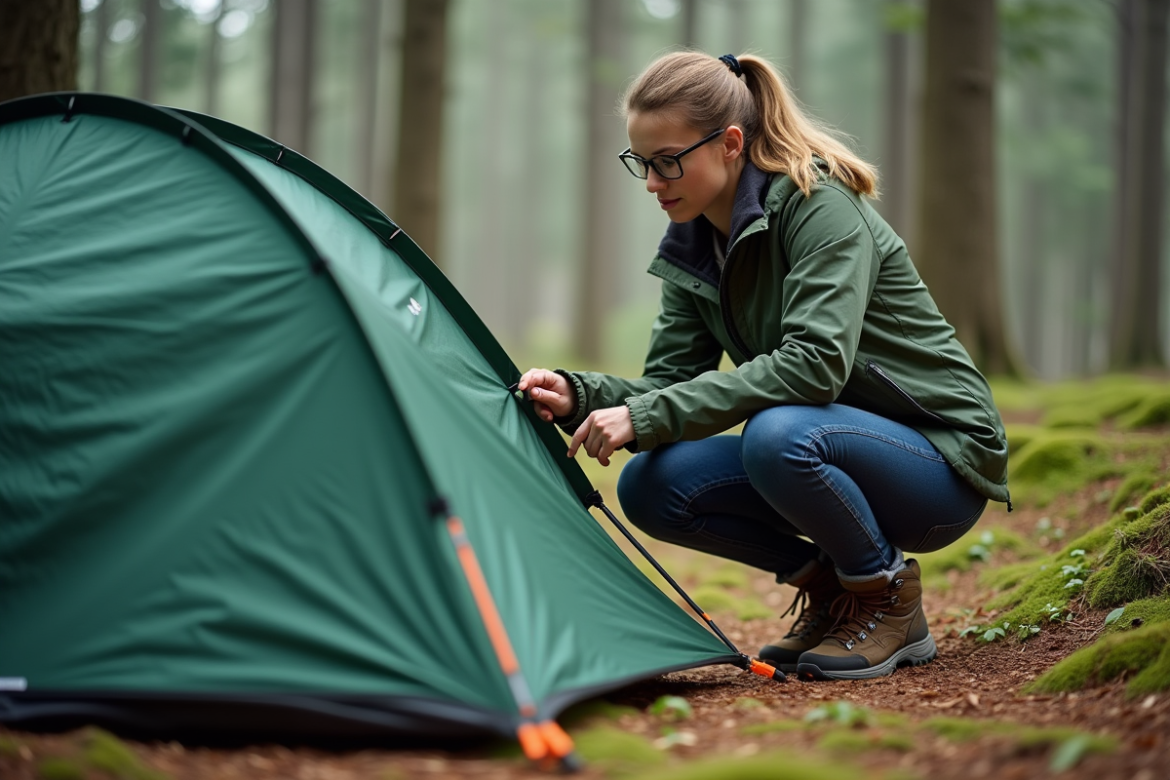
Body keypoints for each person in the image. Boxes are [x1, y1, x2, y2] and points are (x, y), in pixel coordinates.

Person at [517, 51, 1010, 681]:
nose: (651, 181)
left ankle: (886, 596)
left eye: (667, 161)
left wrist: (648, 414)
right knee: (651, 483)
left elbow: (814, 368)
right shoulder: (693, 242)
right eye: (641, 163)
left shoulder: (818, 204)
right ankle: (834, 591)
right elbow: (669, 385)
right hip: (828, 447)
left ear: (728, 144)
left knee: (779, 434)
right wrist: (579, 394)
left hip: (939, 463)